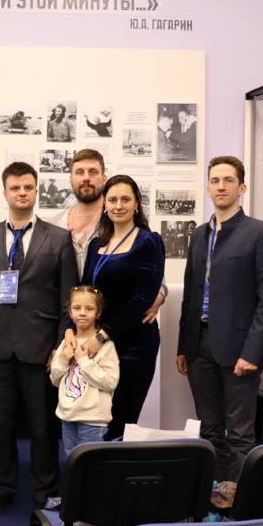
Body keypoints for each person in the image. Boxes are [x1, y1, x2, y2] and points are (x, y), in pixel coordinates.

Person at [0, 162, 78, 516]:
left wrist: (59, 347)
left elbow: (68, 299)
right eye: (15, 188)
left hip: (40, 347)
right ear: (5, 193)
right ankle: (3, 488)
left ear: (36, 191)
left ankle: (45, 490)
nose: (22, 193)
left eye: (28, 187)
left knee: (43, 425)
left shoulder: (58, 238)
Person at [177, 156, 263, 481]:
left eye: (228, 180)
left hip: (239, 348)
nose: (221, 186)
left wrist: (253, 352)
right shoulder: (198, 235)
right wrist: (183, 347)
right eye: (215, 181)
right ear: (208, 187)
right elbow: (190, 295)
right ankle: (217, 493)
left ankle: (243, 501)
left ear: (242, 187)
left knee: (239, 433)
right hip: (199, 346)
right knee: (209, 430)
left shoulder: (261, 233)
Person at [77, 175, 165, 440]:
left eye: (125, 199)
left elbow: (143, 298)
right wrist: (75, 332)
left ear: (136, 204)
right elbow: (84, 292)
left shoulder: (149, 242)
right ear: (104, 204)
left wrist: (103, 335)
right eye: (113, 199)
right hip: (98, 346)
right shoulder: (96, 244)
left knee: (121, 423)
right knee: (96, 421)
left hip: (133, 344)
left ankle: (116, 468)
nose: (118, 205)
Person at [48, 150, 166, 321]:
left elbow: (154, 275)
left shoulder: (122, 222)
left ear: (104, 179)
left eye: (93, 172)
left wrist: (157, 296)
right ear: (70, 180)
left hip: (116, 322)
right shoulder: (54, 225)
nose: (86, 178)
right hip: (67, 322)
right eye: (80, 172)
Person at [50, 286, 120, 456]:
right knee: (72, 461)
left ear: (98, 313)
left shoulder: (106, 346)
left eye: (89, 308)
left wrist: (83, 361)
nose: (82, 313)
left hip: (93, 420)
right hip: (67, 417)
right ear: (70, 311)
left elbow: (110, 382)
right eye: (77, 308)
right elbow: (55, 379)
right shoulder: (67, 343)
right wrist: (63, 359)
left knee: (90, 466)